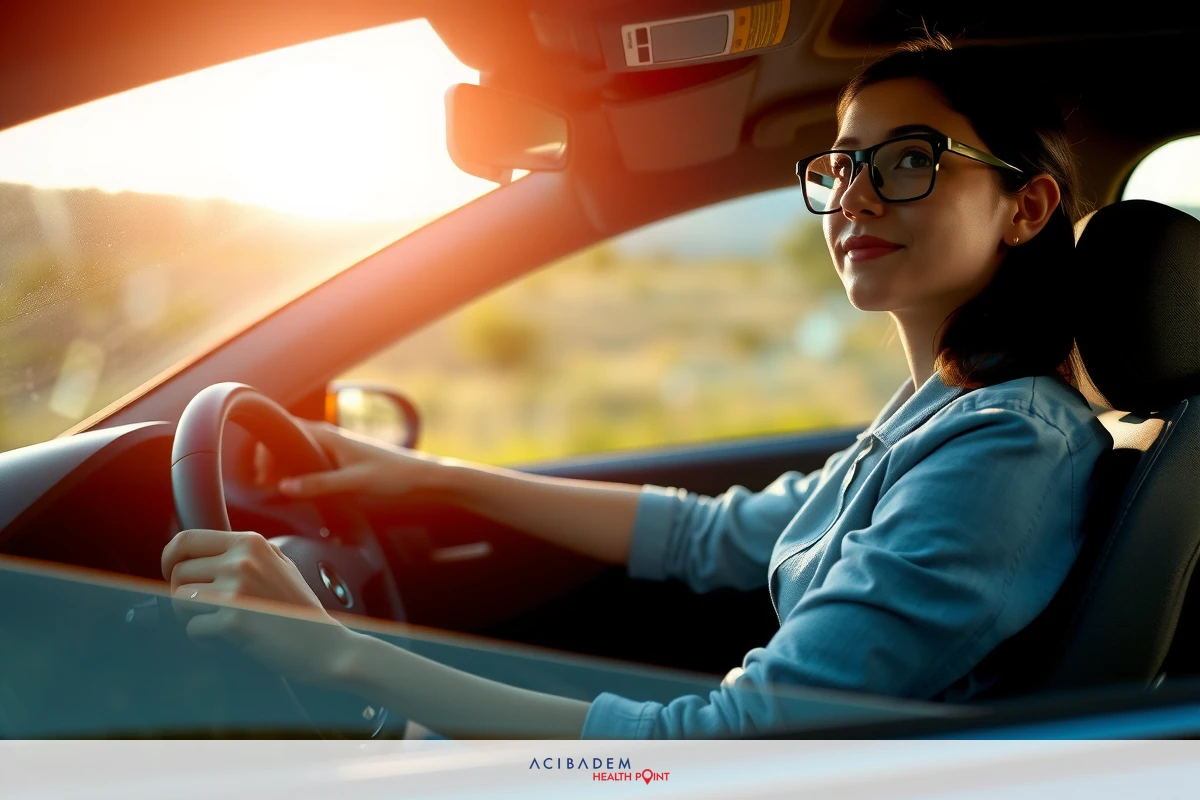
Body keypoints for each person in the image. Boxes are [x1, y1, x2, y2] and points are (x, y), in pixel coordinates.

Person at [160, 33, 1113, 739]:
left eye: (909, 160)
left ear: (1025, 208)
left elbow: (722, 751)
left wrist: (334, 650)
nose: (855, 196)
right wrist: (424, 478)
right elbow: (709, 536)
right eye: (843, 165)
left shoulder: (1005, 448)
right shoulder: (939, 412)